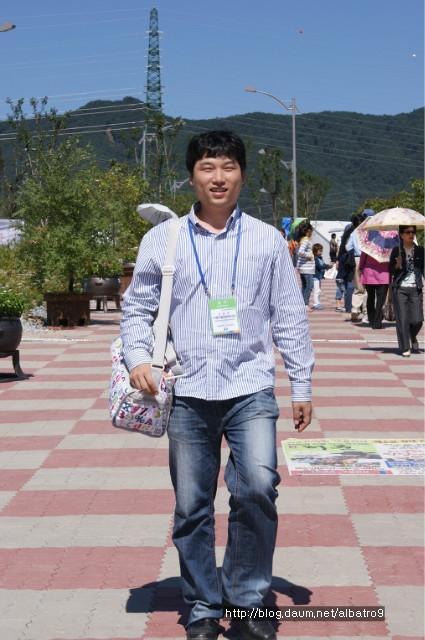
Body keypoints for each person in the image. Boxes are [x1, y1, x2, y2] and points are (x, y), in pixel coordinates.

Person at [121, 131, 314, 640]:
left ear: (242, 175)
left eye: (228, 167)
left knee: (257, 488)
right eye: (207, 167)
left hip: (251, 387)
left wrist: (301, 384)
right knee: (192, 506)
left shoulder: (267, 240)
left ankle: (248, 601)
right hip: (187, 390)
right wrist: (138, 357)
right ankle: (204, 606)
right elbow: (136, 309)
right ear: (192, 177)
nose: (218, 177)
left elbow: (289, 316)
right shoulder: (163, 239)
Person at [389, 225, 424, 357]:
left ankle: (412, 335)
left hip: (416, 288)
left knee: (418, 320)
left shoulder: (420, 250)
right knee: (402, 319)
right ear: (401, 235)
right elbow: (390, 270)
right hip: (400, 288)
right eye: (408, 232)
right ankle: (405, 347)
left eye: (413, 232)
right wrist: (397, 265)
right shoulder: (396, 250)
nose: (411, 234)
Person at [358, 252, 390, 329]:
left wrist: (361, 267)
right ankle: (377, 322)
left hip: (369, 272)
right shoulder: (388, 246)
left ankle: (371, 319)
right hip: (384, 273)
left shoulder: (369, 246)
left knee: (370, 297)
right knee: (380, 300)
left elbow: (363, 257)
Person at [296, 220, 315, 307]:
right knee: (309, 286)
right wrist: (309, 255)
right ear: (308, 231)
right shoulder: (306, 240)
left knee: (305, 286)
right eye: (312, 231)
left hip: (304, 267)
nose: (312, 233)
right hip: (306, 268)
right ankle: (305, 304)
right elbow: (300, 252)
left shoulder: (303, 240)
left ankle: (302, 304)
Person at [312, 243, 331, 309]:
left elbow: (323, 264)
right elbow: (319, 266)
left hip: (319, 277)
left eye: (321, 251)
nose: (321, 252)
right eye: (319, 251)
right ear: (315, 251)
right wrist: (326, 266)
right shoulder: (315, 258)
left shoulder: (320, 258)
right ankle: (316, 304)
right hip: (315, 277)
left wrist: (328, 266)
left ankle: (318, 302)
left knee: (318, 290)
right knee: (316, 290)